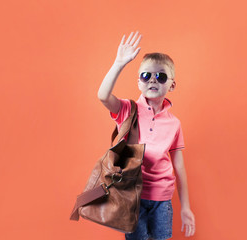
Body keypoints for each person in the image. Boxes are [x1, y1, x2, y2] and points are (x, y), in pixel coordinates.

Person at [97, 31, 195, 240]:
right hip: (132, 196)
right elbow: (103, 95)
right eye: (146, 75)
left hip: (162, 199)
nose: (152, 80)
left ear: (172, 84)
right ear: (139, 82)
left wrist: (185, 208)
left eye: (160, 76)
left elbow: (179, 167)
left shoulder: (174, 124)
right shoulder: (127, 109)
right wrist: (119, 63)